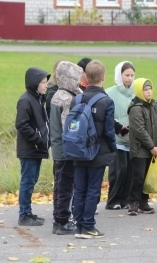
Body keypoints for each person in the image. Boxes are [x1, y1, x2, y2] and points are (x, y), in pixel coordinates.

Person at [72, 60, 116, 239]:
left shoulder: (77, 98)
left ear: (86, 78)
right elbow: (109, 130)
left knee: (80, 188)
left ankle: (79, 225)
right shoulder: (106, 101)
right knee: (93, 189)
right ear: (103, 78)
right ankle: (89, 225)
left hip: (78, 148)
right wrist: (112, 148)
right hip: (98, 150)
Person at [50, 61, 83, 235]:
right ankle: (62, 221)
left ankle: (58, 218)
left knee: (59, 186)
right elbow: (68, 127)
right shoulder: (67, 99)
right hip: (66, 151)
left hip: (57, 149)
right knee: (65, 187)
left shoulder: (57, 95)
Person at [15, 67, 50, 226]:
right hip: (30, 148)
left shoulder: (38, 99)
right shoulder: (26, 100)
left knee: (32, 180)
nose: (46, 85)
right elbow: (21, 124)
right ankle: (24, 214)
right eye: (43, 82)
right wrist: (38, 139)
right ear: (34, 83)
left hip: (37, 148)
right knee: (28, 181)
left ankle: (28, 211)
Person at [127, 78, 157, 216]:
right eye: (145, 90)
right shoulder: (136, 108)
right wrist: (151, 146)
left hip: (153, 148)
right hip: (139, 149)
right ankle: (133, 202)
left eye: (150, 89)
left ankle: (144, 201)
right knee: (138, 176)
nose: (148, 92)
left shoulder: (154, 105)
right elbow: (139, 130)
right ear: (139, 91)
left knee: (147, 177)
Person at [105, 61, 136, 210]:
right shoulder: (110, 92)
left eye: (131, 75)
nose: (129, 78)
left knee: (129, 171)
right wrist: (119, 127)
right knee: (119, 170)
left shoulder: (135, 92)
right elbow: (108, 114)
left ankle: (124, 199)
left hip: (131, 138)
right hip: (116, 137)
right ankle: (113, 200)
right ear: (119, 75)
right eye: (126, 75)